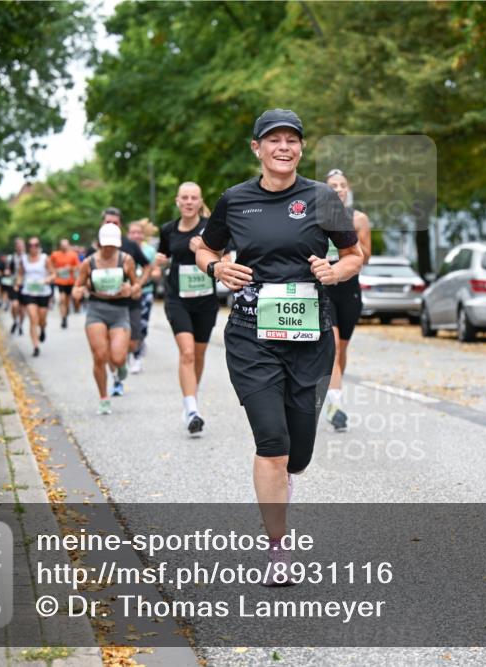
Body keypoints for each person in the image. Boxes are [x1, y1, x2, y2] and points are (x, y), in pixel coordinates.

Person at [196, 109, 362, 584]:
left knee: (298, 454)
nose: (283, 147)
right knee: (272, 442)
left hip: (309, 338)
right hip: (251, 336)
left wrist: (335, 271)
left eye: (292, 140)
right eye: (273, 140)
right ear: (257, 148)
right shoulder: (235, 200)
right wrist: (216, 268)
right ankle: (278, 550)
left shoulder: (322, 198)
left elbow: (353, 254)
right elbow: (204, 247)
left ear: (301, 149)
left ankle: (286, 472)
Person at [156, 182, 219, 436]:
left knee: (199, 355)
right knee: (188, 353)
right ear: (177, 201)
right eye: (185, 197)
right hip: (177, 299)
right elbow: (162, 257)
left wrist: (203, 250)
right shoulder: (167, 230)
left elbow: (225, 257)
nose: (189, 202)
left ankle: (191, 397)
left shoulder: (211, 227)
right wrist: (160, 262)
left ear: (200, 201)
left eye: (194, 197)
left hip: (205, 301)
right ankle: (192, 410)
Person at [322, 169, 373, 431]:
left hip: (349, 290)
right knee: (333, 347)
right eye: (333, 185)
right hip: (325, 288)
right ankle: (335, 404)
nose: (339, 189)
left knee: (342, 349)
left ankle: (333, 390)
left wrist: (348, 235)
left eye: (342, 185)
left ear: (348, 189)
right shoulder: (317, 217)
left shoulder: (359, 219)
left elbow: (366, 256)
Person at [73, 224, 140, 415]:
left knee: (118, 357)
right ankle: (103, 398)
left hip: (120, 311)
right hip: (96, 310)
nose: (109, 248)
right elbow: (77, 287)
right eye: (106, 244)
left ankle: (121, 367)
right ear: (100, 243)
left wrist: (130, 290)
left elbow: (137, 288)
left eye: (113, 244)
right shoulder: (88, 263)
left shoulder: (126, 260)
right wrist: (78, 292)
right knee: (99, 356)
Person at [98, 208, 153, 396]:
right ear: (102, 224)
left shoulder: (130, 245)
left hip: (130, 302)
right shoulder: (96, 246)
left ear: (120, 225)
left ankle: (122, 362)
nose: (111, 225)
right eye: (108, 222)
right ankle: (116, 379)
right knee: (110, 345)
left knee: (133, 344)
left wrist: (138, 285)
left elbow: (147, 266)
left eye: (115, 223)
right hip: (105, 304)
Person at [126, 220, 158, 374]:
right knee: (128, 325)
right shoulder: (124, 249)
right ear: (128, 234)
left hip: (145, 291)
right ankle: (130, 352)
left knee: (141, 324)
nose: (136, 235)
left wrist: (152, 275)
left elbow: (155, 270)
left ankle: (137, 356)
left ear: (143, 235)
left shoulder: (149, 251)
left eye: (139, 232)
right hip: (127, 293)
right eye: (133, 232)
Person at [16, 237, 53, 357]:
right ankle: (36, 346)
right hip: (29, 292)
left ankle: (42, 329)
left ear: (39, 246)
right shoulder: (24, 259)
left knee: (42, 318)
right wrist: (18, 283)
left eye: (36, 245)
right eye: (31, 245)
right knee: (33, 318)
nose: (33, 247)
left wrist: (47, 279)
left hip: (43, 292)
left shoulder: (44, 258)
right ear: (28, 247)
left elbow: (53, 273)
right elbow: (20, 274)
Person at [49, 239, 80, 329]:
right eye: (62, 245)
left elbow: (78, 266)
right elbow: (49, 265)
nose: (64, 247)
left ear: (68, 245)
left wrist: (70, 268)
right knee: (62, 299)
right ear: (60, 246)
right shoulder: (55, 254)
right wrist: (55, 271)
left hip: (70, 281)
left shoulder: (73, 255)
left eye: (65, 245)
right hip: (60, 281)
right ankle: (63, 318)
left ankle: (66, 315)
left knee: (67, 301)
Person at [8, 238, 26, 335]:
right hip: (14, 284)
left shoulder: (27, 258)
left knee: (22, 308)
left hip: (25, 285)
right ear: (15, 247)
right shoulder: (12, 258)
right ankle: (15, 321)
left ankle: (20, 325)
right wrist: (7, 272)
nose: (20, 247)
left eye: (21, 245)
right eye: (18, 245)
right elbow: (9, 269)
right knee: (14, 305)